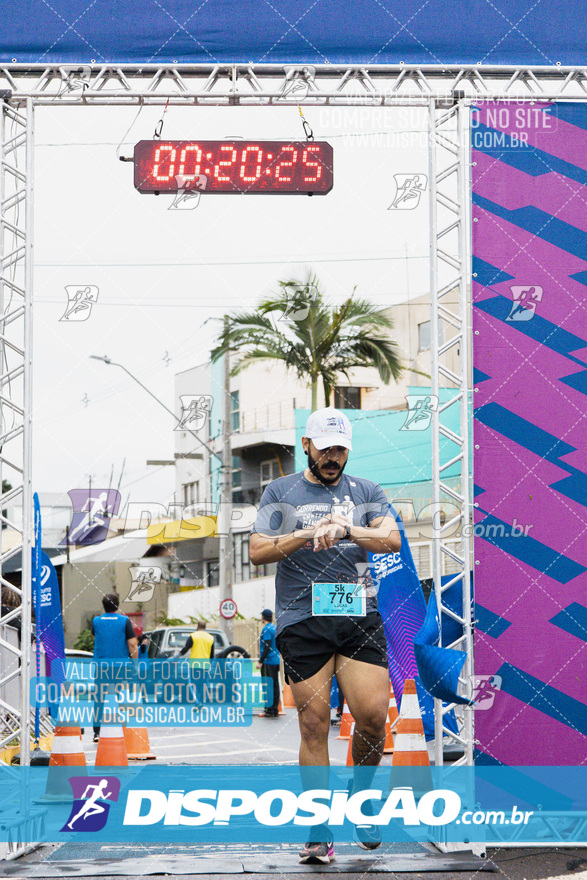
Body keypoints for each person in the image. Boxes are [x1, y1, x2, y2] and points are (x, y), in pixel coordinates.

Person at [250, 406, 400, 864]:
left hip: (359, 615)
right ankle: (319, 828)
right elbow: (257, 551)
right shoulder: (281, 491)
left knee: (373, 717)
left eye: (341, 449)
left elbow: (392, 539)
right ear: (307, 446)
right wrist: (306, 532)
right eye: (326, 448)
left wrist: (347, 528)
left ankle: (362, 796)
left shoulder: (367, 491)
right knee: (313, 725)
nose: (334, 457)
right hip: (302, 619)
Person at [91, 593, 138, 743]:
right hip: (120, 666)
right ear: (117, 606)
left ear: (104, 606)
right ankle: (123, 729)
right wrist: (135, 664)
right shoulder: (125, 621)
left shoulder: (96, 621)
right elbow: (132, 644)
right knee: (121, 697)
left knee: (99, 698)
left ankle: (97, 732)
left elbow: (96, 638)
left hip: (101, 665)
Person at [256, 609, 281, 717]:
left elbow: (267, 645)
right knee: (275, 685)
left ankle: (269, 709)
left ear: (263, 617)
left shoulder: (266, 629)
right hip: (275, 660)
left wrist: (261, 661)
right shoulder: (275, 628)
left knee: (268, 685)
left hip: (268, 661)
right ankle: (275, 709)